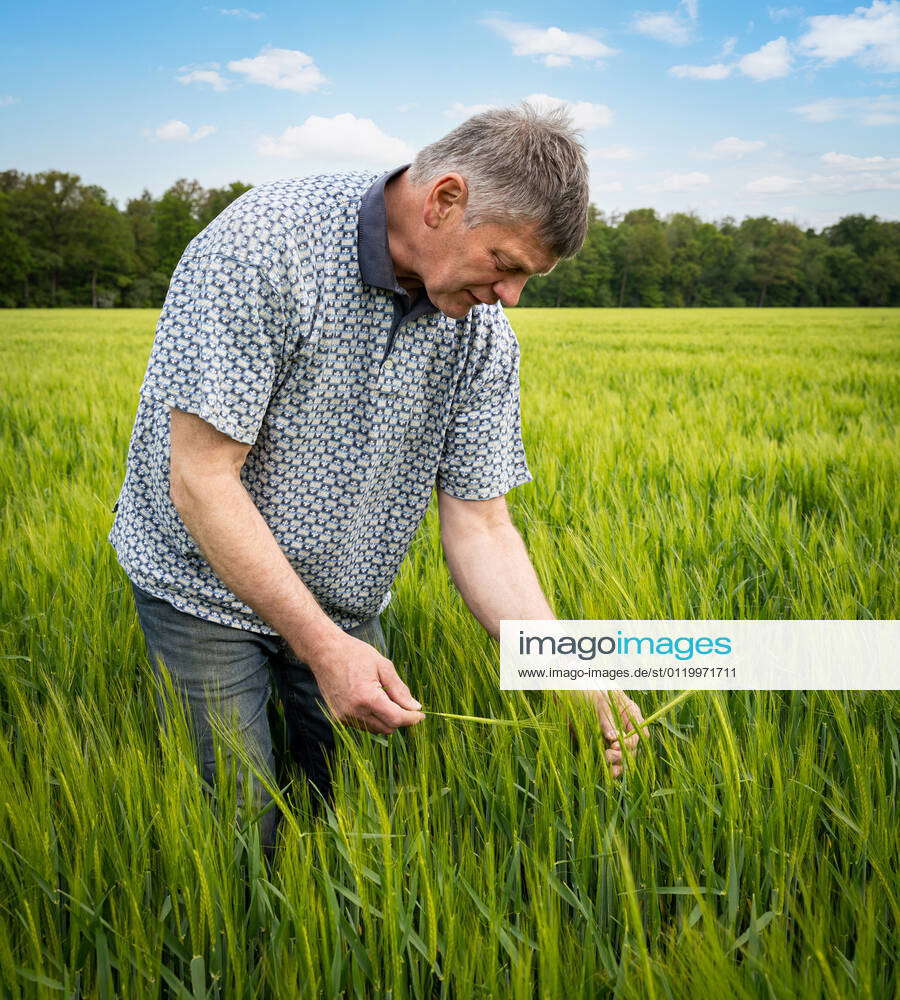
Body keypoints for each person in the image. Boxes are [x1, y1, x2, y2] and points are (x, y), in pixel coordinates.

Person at [108, 103, 644, 853]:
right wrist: (322, 649)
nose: (513, 298)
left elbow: (483, 524)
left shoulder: (481, 334)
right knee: (235, 829)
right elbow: (201, 478)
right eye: (507, 265)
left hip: (347, 593)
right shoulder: (262, 248)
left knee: (354, 828)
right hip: (203, 591)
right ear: (445, 200)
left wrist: (567, 672)